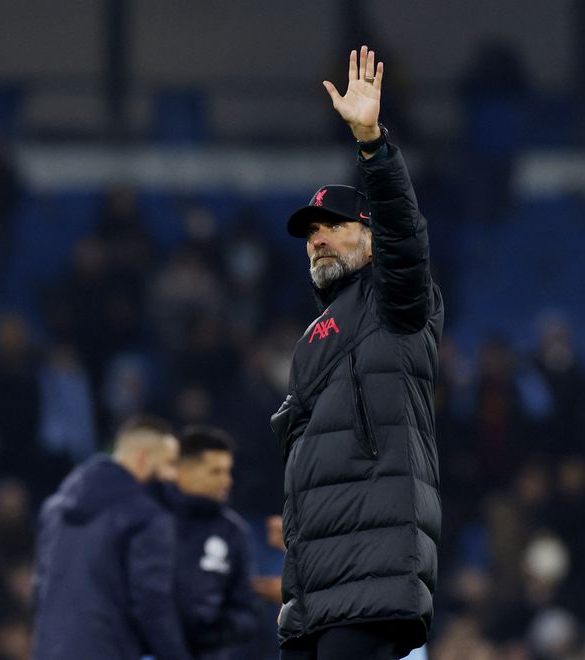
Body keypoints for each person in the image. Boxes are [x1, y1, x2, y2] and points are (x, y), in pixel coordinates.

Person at [271, 46, 443, 659]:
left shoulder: (397, 302)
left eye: (332, 225)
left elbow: (405, 233)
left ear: (371, 240)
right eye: (310, 233)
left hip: (371, 582)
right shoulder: (320, 333)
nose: (316, 239)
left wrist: (372, 144)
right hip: (315, 591)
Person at [31, 415, 193, 660]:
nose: (174, 475)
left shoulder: (55, 509)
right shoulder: (147, 516)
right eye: (170, 463)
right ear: (142, 459)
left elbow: (41, 591)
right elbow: (151, 604)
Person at [155, 425, 260, 659]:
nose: (227, 480)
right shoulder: (150, 520)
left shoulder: (233, 533)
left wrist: (217, 633)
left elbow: (247, 610)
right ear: (184, 471)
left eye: (228, 471)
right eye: (215, 471)